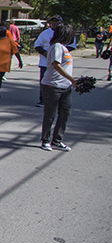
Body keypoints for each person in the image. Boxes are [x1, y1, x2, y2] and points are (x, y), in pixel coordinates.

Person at [40, 24, 77, 152]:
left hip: (65, 86)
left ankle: (57, 140)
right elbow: (56, 65)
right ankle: (45, 140)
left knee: (65, 113)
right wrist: (72, 79)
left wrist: (71, 81)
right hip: (52, 85)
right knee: (50, 114)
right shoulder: (56, 47)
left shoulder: (64, 48)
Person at [34, 15, 69, 106]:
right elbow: (37, 45)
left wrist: (61, 54)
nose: (54, 23)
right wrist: (46, 53)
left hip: (60, 63)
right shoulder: (45, 33)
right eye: (52, 21)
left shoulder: (65, 34)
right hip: (45, 63)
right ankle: (43, 100)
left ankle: (56, 100)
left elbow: (71, 46)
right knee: (44, 82)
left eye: (56, 22)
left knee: (56, 82)